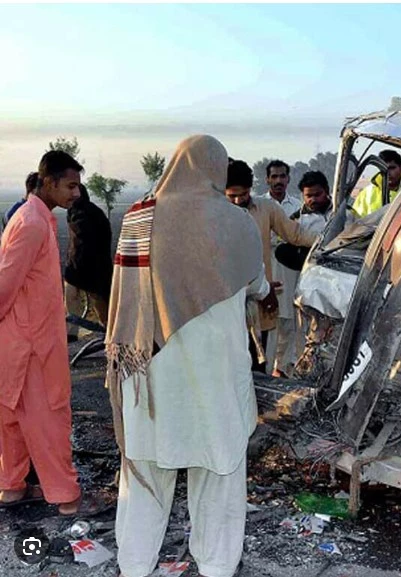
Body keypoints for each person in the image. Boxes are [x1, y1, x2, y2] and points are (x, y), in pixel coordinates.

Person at [106, 135, 270, 577]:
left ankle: (134, 565)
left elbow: (122, 300)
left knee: (143, 483)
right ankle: (217, 567)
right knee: (219, 478)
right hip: (217, 376)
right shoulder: (237, 223)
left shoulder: (138, 218)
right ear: (216, 170)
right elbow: (259, 287)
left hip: (150, 377)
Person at [0, 150, 103, 516]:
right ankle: (67, 499)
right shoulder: (30, 223)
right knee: (48, 419)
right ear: (48, 182)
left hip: (24, 340)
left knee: (13, 418)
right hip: (32, 346)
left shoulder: (37, 219)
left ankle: (12, 487)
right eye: (70, 185)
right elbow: (4, 287)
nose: (76, 193)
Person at [225, 160, 317, 374]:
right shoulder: (216, 213)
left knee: (258, 362)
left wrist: (327, 242)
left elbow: (295, 234)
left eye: (244, 194)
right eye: (232, 196)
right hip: (227, 303)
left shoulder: (266, 208)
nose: (238, 200)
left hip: (260, 301)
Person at [272, 171, 333, 376]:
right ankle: (302, 372)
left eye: (317, 194)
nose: (313, 200)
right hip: (307, 286)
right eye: (309, 196)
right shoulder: (296, 220)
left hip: (337, 287)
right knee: (304, 331)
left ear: (327, 192)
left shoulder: (345, 215)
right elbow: (282, 248)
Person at [259, 160, 302, 376]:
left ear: (288, 179)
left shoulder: (297, 207)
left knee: (289, 321)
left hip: (289, 272)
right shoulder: (259, 206)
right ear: (267, 179)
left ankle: (284, 370)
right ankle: (266, 370)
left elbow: (297, 237)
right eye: (274, 177)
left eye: (282, 176)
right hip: (266, 271)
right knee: (268, 323)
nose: (278, 181)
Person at [65, 183, 113, 340]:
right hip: (88, 267)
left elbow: (86, 242)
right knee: (98, 302)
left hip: (88, 267)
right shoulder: (86, 211)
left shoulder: (85, 213)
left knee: (84, 299)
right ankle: (108, 334)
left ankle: (108, 334)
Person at [350, 149, 401, 218]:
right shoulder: (366, 193)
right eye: (383, 169)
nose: (388, 173)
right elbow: (356, 222)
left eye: (392, 168)